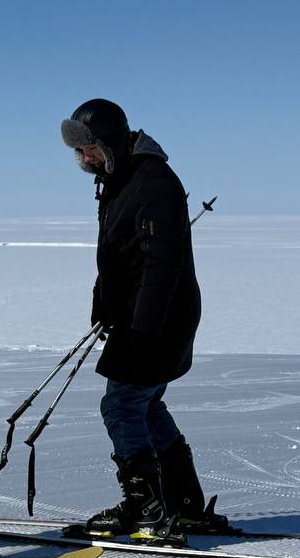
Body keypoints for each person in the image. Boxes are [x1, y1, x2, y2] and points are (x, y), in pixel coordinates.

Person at [59, 99, 221, 535]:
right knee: (145, 404)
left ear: (111, 141)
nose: (86, 158)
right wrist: (102, 300)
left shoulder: (153, 181)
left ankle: (144, 506)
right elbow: (119, 253)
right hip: (146, 315)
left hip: (156, 319)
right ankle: (183, 503)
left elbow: (160, 265)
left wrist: (142, 331)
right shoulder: (119, 179)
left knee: (121, 405)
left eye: (91, 148)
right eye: (80, 152)